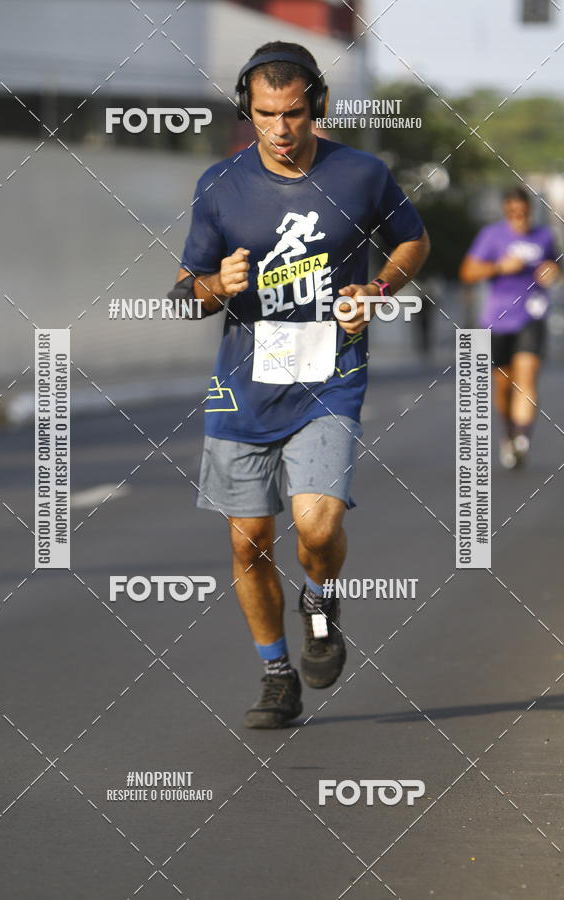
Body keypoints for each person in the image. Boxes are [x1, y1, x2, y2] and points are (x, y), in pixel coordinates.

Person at [171, 41, 430, 728]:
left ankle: (320, 599)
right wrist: (213, 286)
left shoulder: (362, 174)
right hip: (243, 386)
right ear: (247, 111)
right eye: (264, 115)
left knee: (317, 526)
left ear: (315, 104)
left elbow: (414, 240)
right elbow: (181, 294)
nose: (281, 130)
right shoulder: (219, 186)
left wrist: (375, 288)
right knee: (248, 542)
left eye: (293, 113)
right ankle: (277, 673)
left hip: (329, 378)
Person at [460, 188, 560, 468]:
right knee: (503, 384)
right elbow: (467, 272)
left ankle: (521, 436)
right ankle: (508, 431)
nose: (519, 218)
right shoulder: (491, 236)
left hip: (532, 315)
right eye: (513, 213)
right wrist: (500, 267)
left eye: (524, 213)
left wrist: (552, 272)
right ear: (506, 212)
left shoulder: (544, 236)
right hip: (497, 319)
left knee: (526, 377)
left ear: (530, 211)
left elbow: (554, 266)